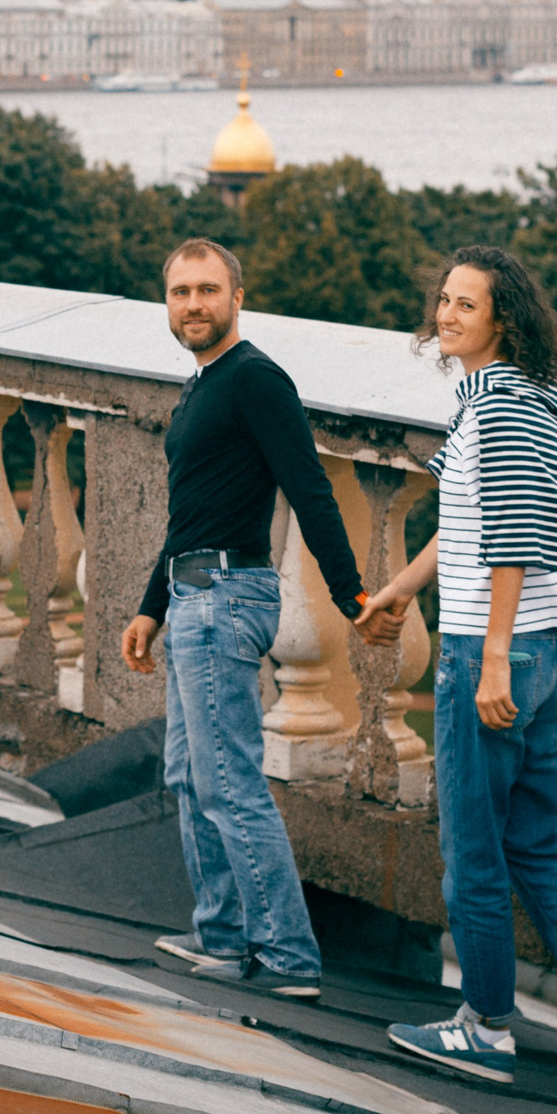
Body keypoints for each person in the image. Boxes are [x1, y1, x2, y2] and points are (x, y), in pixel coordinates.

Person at [355, 245, 557, 1090]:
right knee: (534, 844)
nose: (446, 314)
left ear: (504, 320)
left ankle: (485, 1028)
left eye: (466, 304)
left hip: (500, 660)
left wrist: (491, 660)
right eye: (444, 301)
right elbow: (465, 529)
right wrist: (398, 591)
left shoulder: (500, 411)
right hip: (555, 655)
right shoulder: (516, 402)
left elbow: (517, 534)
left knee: (475, 852)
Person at [121, 237, 367, 1002]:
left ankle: (289, 955)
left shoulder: (256, 380)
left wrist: (353, 597)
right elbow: (189, 514)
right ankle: (223, 937)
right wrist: (149, 606)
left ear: (236, 297)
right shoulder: (203, 387)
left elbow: (311, 490)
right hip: (192, 596)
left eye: (207, 290)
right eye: (180, 292)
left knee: (228, 782)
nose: (193, 305)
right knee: (189, 774)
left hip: (228, 601)